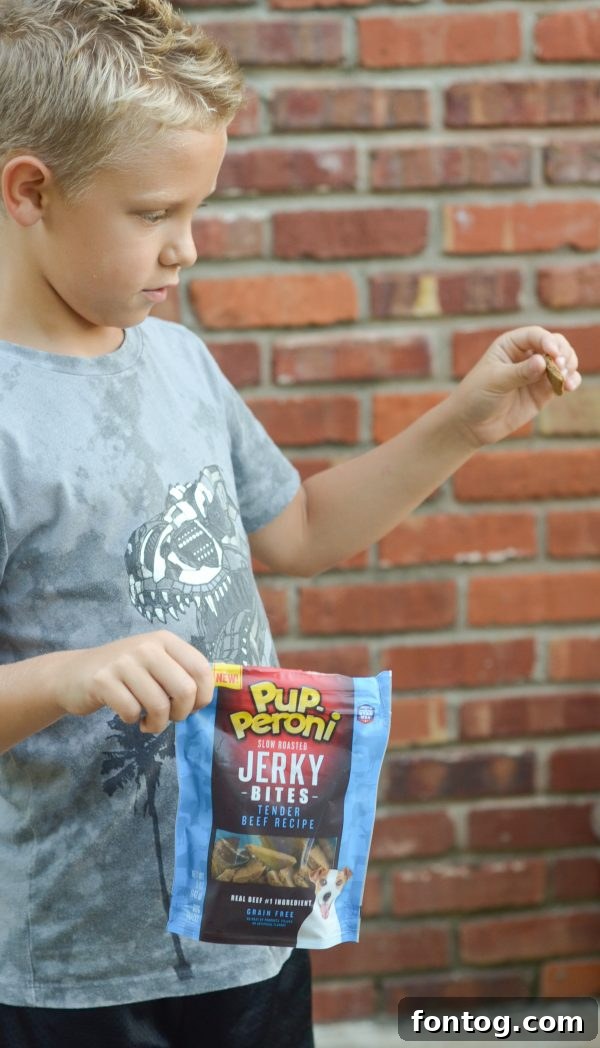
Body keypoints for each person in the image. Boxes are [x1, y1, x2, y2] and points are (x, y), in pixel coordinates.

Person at [0, 1, 581, 1046]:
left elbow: (299, 528)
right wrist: (66, 677)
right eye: (152, 214)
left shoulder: (175, 357)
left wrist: (462, 424)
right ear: (31, 190)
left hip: (258, 917)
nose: (185, 250)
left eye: (199, 210)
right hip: (70, 973)